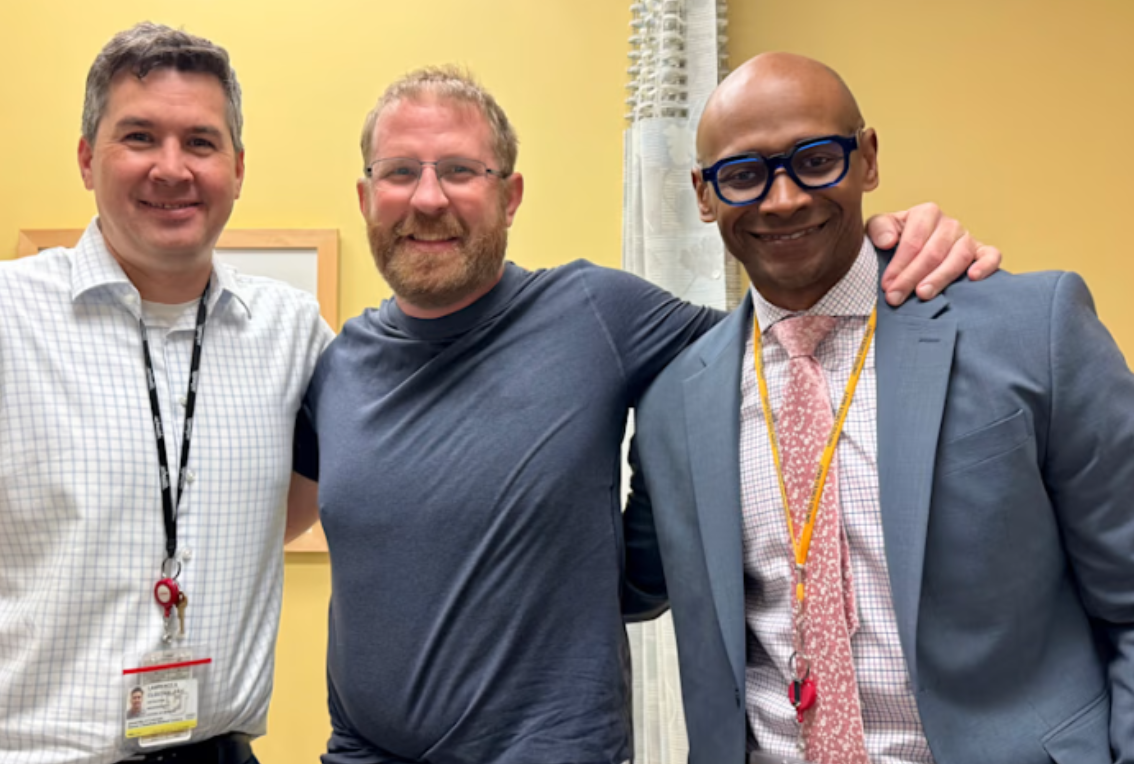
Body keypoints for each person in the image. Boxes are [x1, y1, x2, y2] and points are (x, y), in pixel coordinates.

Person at [298, 65, 999, 764]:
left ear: (509, 196)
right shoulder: (336, 368)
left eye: (460, 170)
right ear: (365, 196)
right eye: (399, 173)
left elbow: (779, 341)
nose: (427, 198)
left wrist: (897, 244)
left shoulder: (594, 315)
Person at [622, 52, 1134, 764]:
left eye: (816, 160)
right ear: (703, 193)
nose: (782, 199)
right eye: (745, 175)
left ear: (867, 158)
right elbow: (619, 581)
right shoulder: (672, 403)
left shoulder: (1033, 331)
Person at [0, 23, 329, 764]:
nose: (172, 168)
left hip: (214, 752)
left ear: (238, 165)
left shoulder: (294, 334)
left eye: (200, 142)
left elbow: (301, 505)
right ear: (85, 158)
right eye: (139, 137)